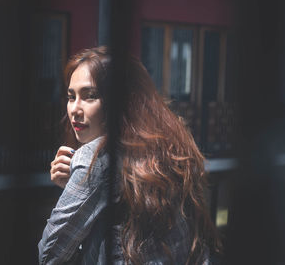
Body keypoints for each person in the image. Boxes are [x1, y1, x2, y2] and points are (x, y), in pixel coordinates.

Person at [38, 46, 222, 264]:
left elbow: (49, 255)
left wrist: (78, 185)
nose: (75, 109)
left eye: (90, 96)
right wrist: (76, 187)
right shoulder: (166, 148)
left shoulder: (95, 159)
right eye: (71, 97)